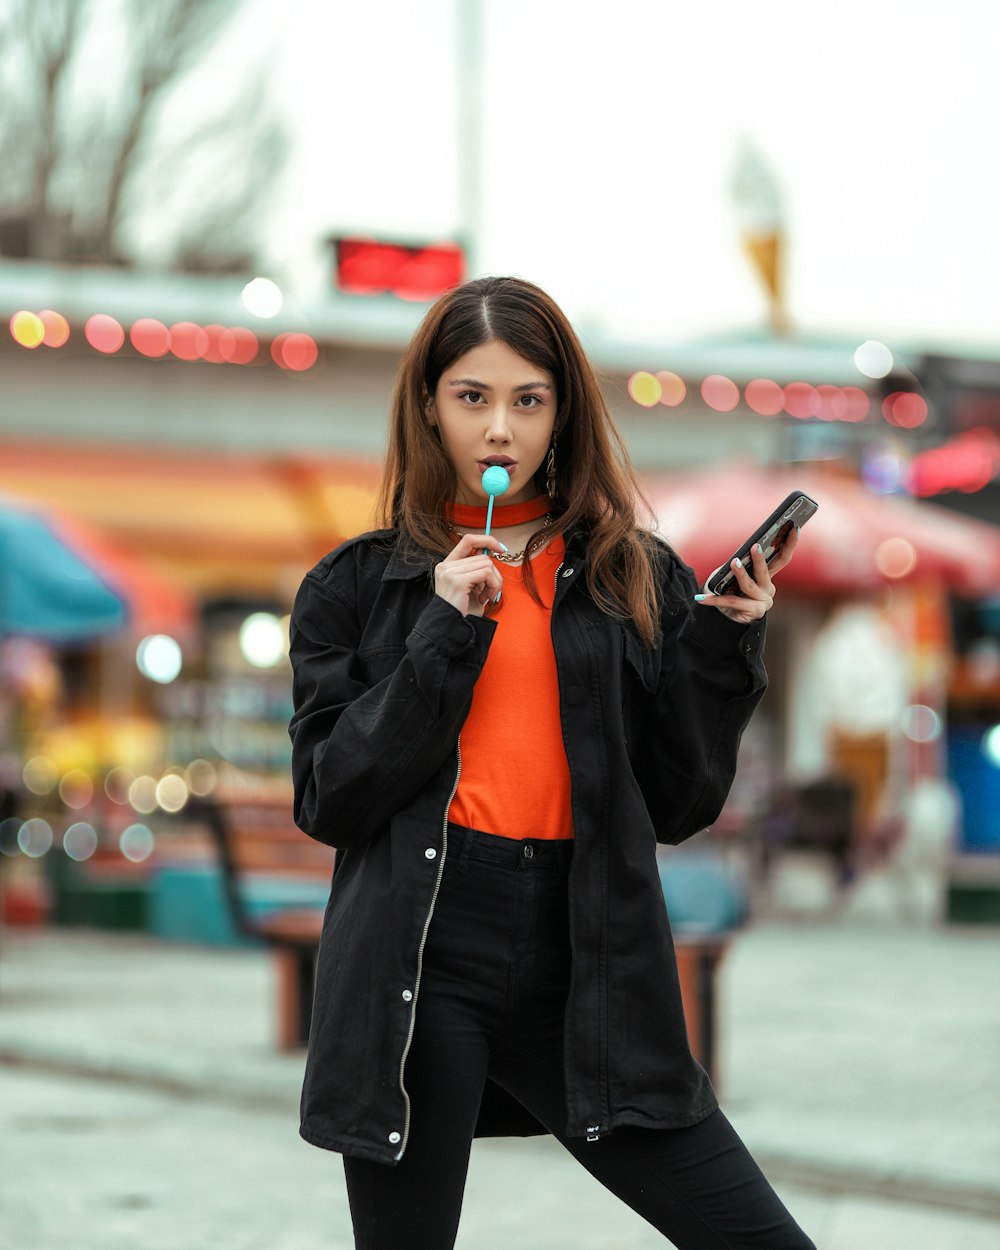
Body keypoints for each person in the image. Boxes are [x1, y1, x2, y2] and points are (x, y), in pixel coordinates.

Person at [288, 275, 814, 1250]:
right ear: (428, 407)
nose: (500, 428)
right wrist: (442, 633)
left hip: (586, 949)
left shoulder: (631, 573)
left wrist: (720, 647)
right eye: (472, 396)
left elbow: (678, 800)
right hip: (422, 954)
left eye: (528, 399)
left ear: (562, 413)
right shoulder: (358, 586)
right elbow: (330, 794)